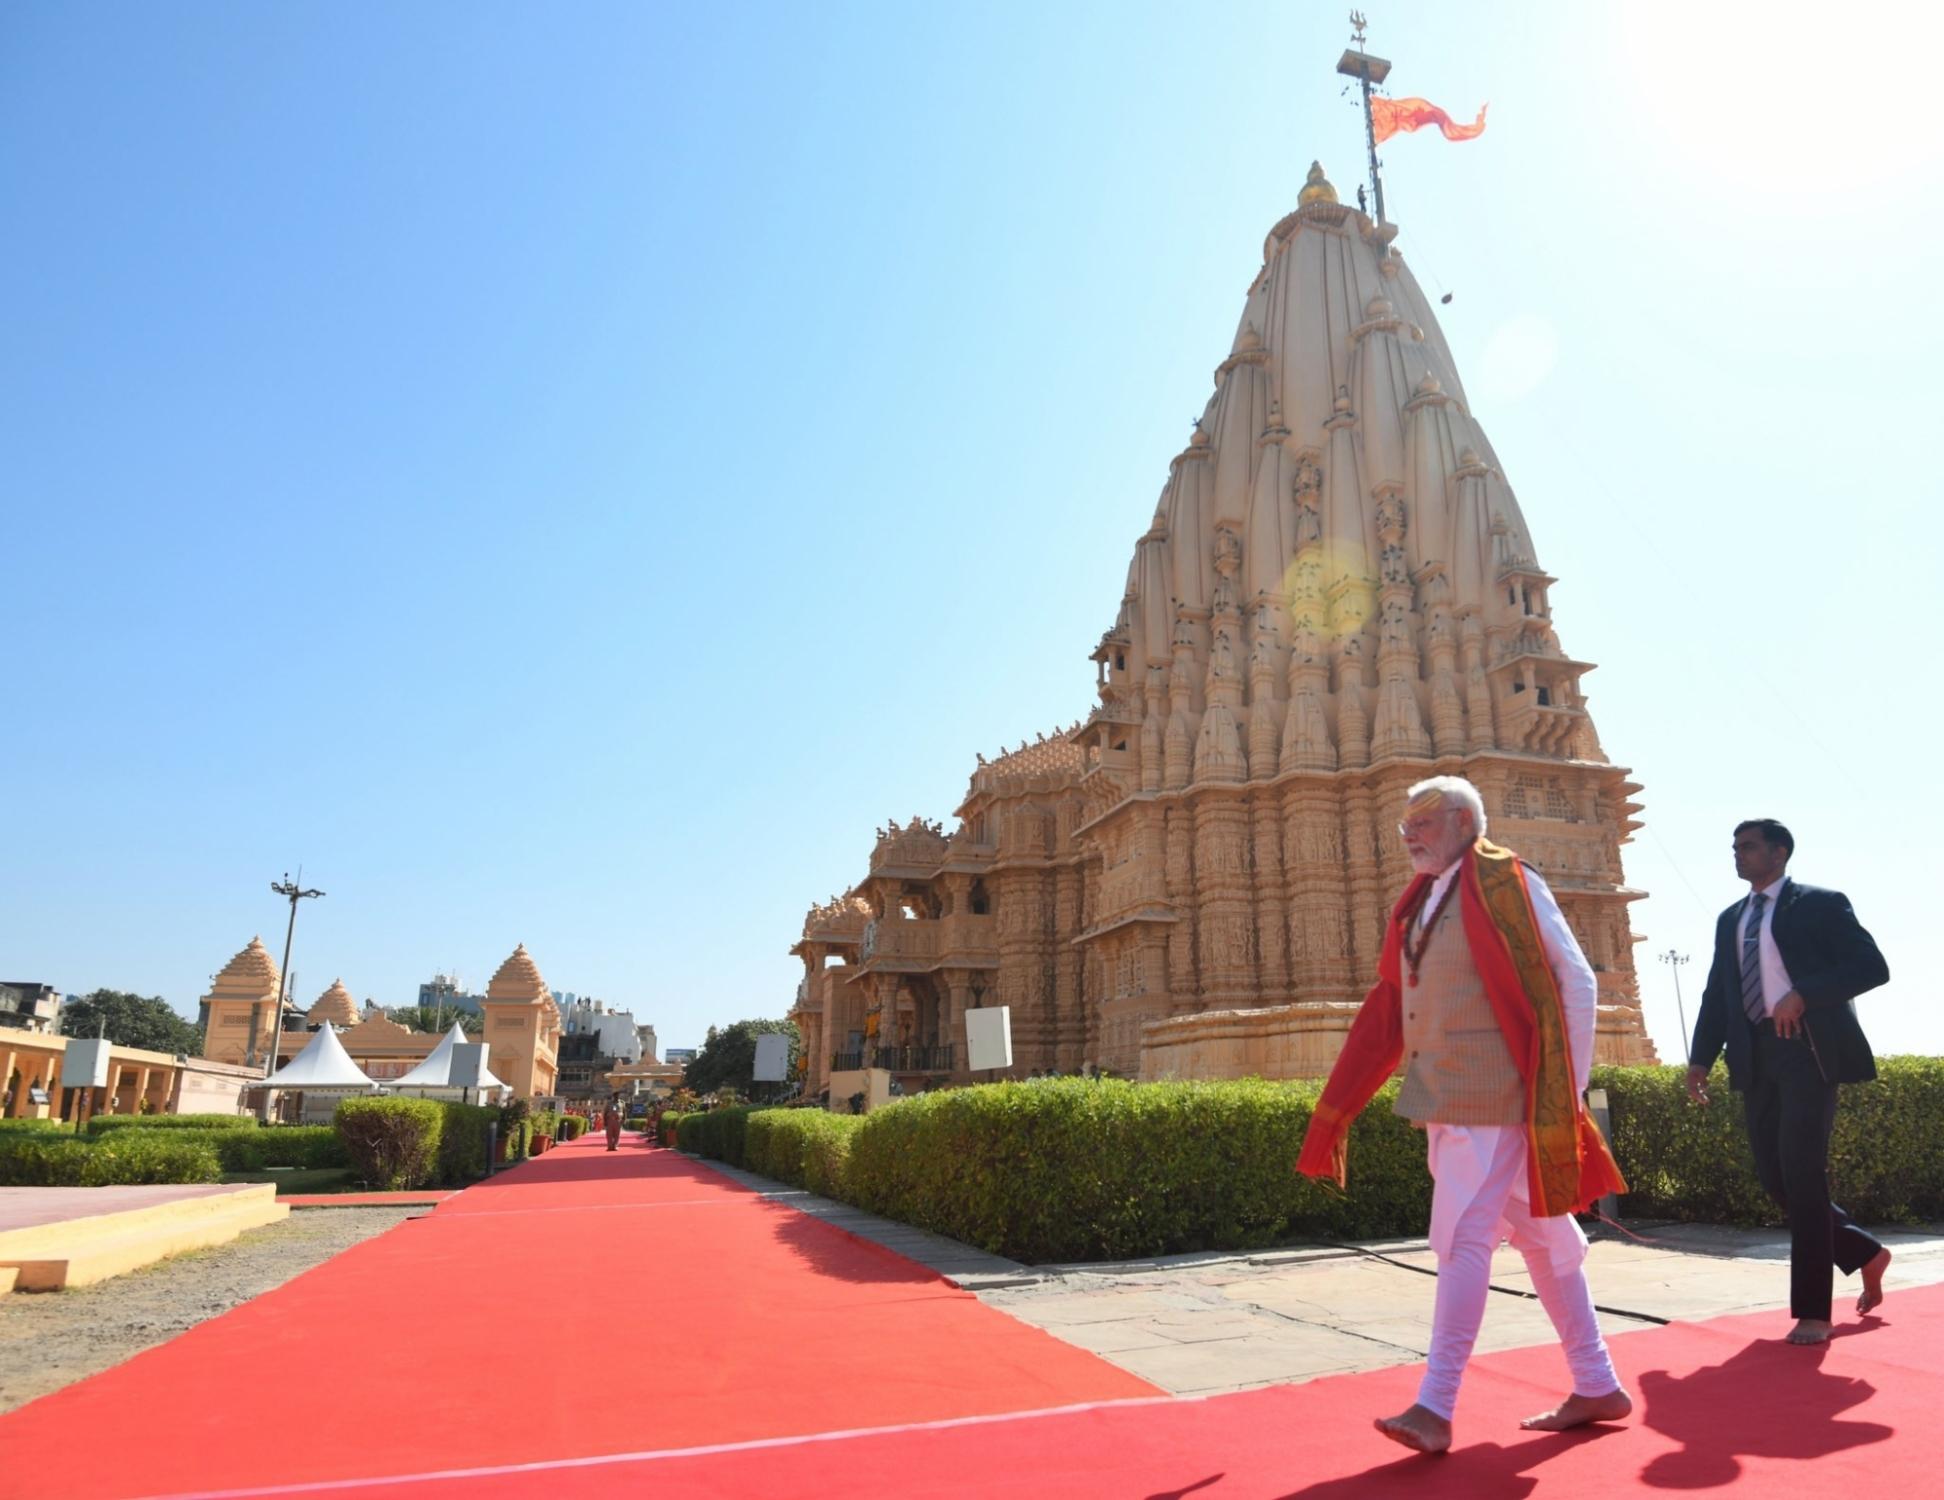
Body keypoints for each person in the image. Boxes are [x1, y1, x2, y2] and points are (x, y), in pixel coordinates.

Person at [1297, 777, 1631, 1454]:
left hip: (1498, 1096)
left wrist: (1563, 1087)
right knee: (1543, 1239)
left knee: (1462, 1237)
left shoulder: (1506, 880)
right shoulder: (1419, 901)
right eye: (1402, 827)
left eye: (1421, 822)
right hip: (1445, 1098)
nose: (1408, 835)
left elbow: (1577, 979)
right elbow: (1391, 1003)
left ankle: (1436, 1406)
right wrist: (1340, 1101)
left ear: (1461, 820)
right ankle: (1596, 1381)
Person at [1685, 818, 1891, 1344]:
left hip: (1806, 1051)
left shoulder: (1821, 904)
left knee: (1802, 1174)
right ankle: (1865, 1251)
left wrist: (1803, 993)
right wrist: (1701, 1059)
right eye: (1734, 847)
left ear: (1779, 853)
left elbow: (1871, 966)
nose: (1738, 854)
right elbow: (1717, 993)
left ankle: (1814, 1313)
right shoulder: (1730, 918)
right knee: (1776, 1180)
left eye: (1748, 846)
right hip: (1753, 1057)